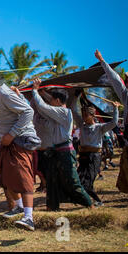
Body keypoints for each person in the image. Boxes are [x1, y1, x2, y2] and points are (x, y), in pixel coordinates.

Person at [0, 66, 41, 231]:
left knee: (23, 177)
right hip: (9, 142)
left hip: (21, 140)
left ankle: (29, 218)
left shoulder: (4, 94)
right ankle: (19, 207)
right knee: (5, 178)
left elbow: (28, 111)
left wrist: (11, 134)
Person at [30, 79, 93, 212]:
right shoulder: (59, 109)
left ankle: (89, 204)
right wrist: (43, 93)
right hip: (55, 151)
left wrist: (35, 91)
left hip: (65, 151)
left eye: (52, 100)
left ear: (58, 101)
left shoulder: (64, 112)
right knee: (51, 180)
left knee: (72, 181)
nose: (50, 101)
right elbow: (50, 103)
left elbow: (43, 107)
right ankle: (51, 206)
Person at [95, 50, 128, 209]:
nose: (127, 85)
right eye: (126, 82)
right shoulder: (127, 97)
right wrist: (102, 61)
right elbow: (115, 80)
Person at [71, 97, 120, 206]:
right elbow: (74, 111)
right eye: (83, 115)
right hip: (83, 156)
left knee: (88, 182)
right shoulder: (81, 125)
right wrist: (76, 96)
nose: (83, 117)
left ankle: (97, 201)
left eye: (86, 115)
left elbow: (114, 123)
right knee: (79, 180)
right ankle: (90, 200)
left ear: (93, 116)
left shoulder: (99, 127)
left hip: (94, 157)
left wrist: (115, 109)